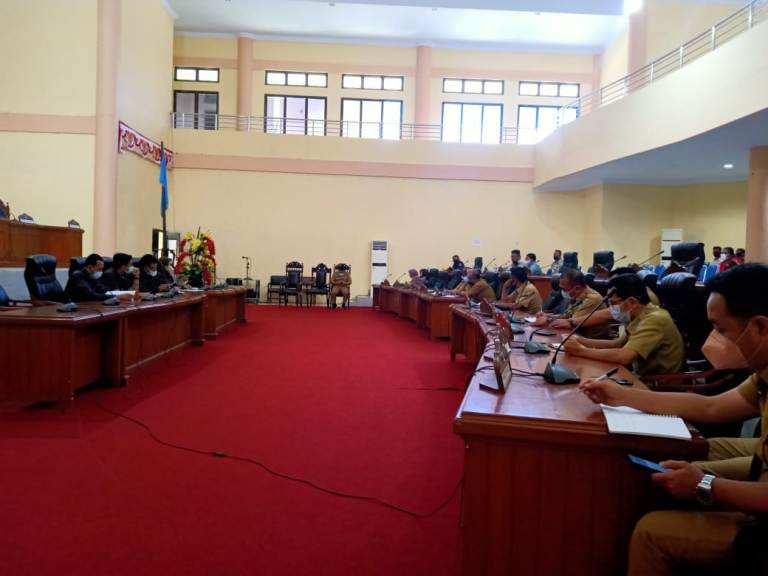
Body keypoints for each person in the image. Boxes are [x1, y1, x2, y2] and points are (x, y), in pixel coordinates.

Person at [579, 264, 768, 576]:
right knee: (690, 456)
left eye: (721, 329)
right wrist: (622, 395)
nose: (714, 339)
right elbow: (711, 408)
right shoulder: (763, 372)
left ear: (760, 327)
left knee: (650, 533)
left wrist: (705, 484)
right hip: (760, 465)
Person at [563, 273, 684, 375]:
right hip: (641, 377)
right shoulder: (638, 315)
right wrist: (580, 340)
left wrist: (580, 351)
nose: (612, 309)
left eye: (613, 303)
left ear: (631, 302)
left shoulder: (654, 319)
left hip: (656, 385)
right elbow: (617, 344)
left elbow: (624, 357)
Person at [548, 269, 608, 337]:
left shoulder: (592, 299)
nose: (562, 292)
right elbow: (567, 315)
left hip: (592, 339)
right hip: (578, 335)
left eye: (564, 289)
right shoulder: (577, 296)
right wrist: (547, 316)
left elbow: (571, 322)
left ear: (577, 288)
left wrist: (549, 321)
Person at [65, 253, 132, 302]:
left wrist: (118, 294)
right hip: (74, 307)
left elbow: (102, 289)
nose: (101, 272)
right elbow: (91, 295)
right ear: (90, 267)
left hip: (88, 305)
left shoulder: (91, 277)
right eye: (99, 269)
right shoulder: (77, 276)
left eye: (102, 269)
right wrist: (117, 296)